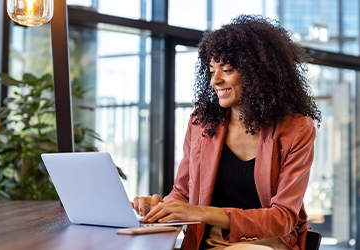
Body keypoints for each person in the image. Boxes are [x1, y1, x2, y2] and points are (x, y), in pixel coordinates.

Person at [131, 14, 321, 250]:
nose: (215, 80)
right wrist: (160, 207)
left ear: (257, 74)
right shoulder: (201, 124)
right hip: (207, 242)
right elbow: (183, 192)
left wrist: (202, 212)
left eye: (227, 70)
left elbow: (283, 217)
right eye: (211, 71)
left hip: (266, 244)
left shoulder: (296, 129)